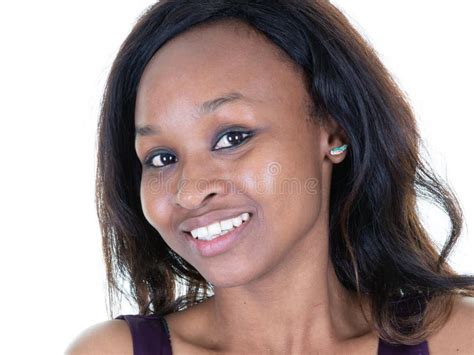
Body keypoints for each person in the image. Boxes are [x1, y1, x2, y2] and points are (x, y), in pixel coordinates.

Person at [66, 0, 474, 354]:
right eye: (161, 157)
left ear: (333, 132)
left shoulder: (459, 339)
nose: (189, 192)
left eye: (232, 138)